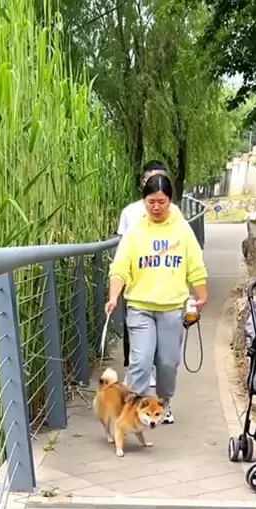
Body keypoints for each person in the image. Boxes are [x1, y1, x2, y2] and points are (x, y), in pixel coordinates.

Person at [106, 173, 207, 424]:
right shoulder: (136, 231)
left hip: (172, 308)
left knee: (167, 364)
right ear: (144, 201)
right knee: (140, 361)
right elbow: (120, 267)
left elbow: (195, 264)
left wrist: (202, 294)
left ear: (170, 201)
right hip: (140, 306)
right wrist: (113, 296)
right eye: (151, 202)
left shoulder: (181, 229)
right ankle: (133, 411)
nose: (156, 207)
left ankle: (163, 403)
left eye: (162, 201)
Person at [117, 161, 185, 388]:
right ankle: (135, 370)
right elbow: (122, 246)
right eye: (151, 179)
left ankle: (154, 376)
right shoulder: (130, 212)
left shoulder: (174, 214)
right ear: (143, 183)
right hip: (138, 284)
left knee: (165, 347)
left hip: (166, 287)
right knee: (136, 335)